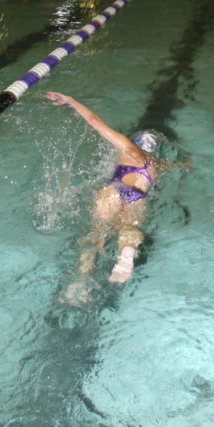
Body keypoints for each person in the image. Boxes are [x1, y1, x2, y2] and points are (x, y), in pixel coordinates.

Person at [45, 92, 159, 303]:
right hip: (138, 197)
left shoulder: (128, 147)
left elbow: (93, 121)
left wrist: (70, 100)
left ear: (136, 142)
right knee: (130, 228)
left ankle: (81, 279)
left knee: (96, 234)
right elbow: (180, 165)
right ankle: (126, 253)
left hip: (114, 191)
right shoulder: (155, 166)